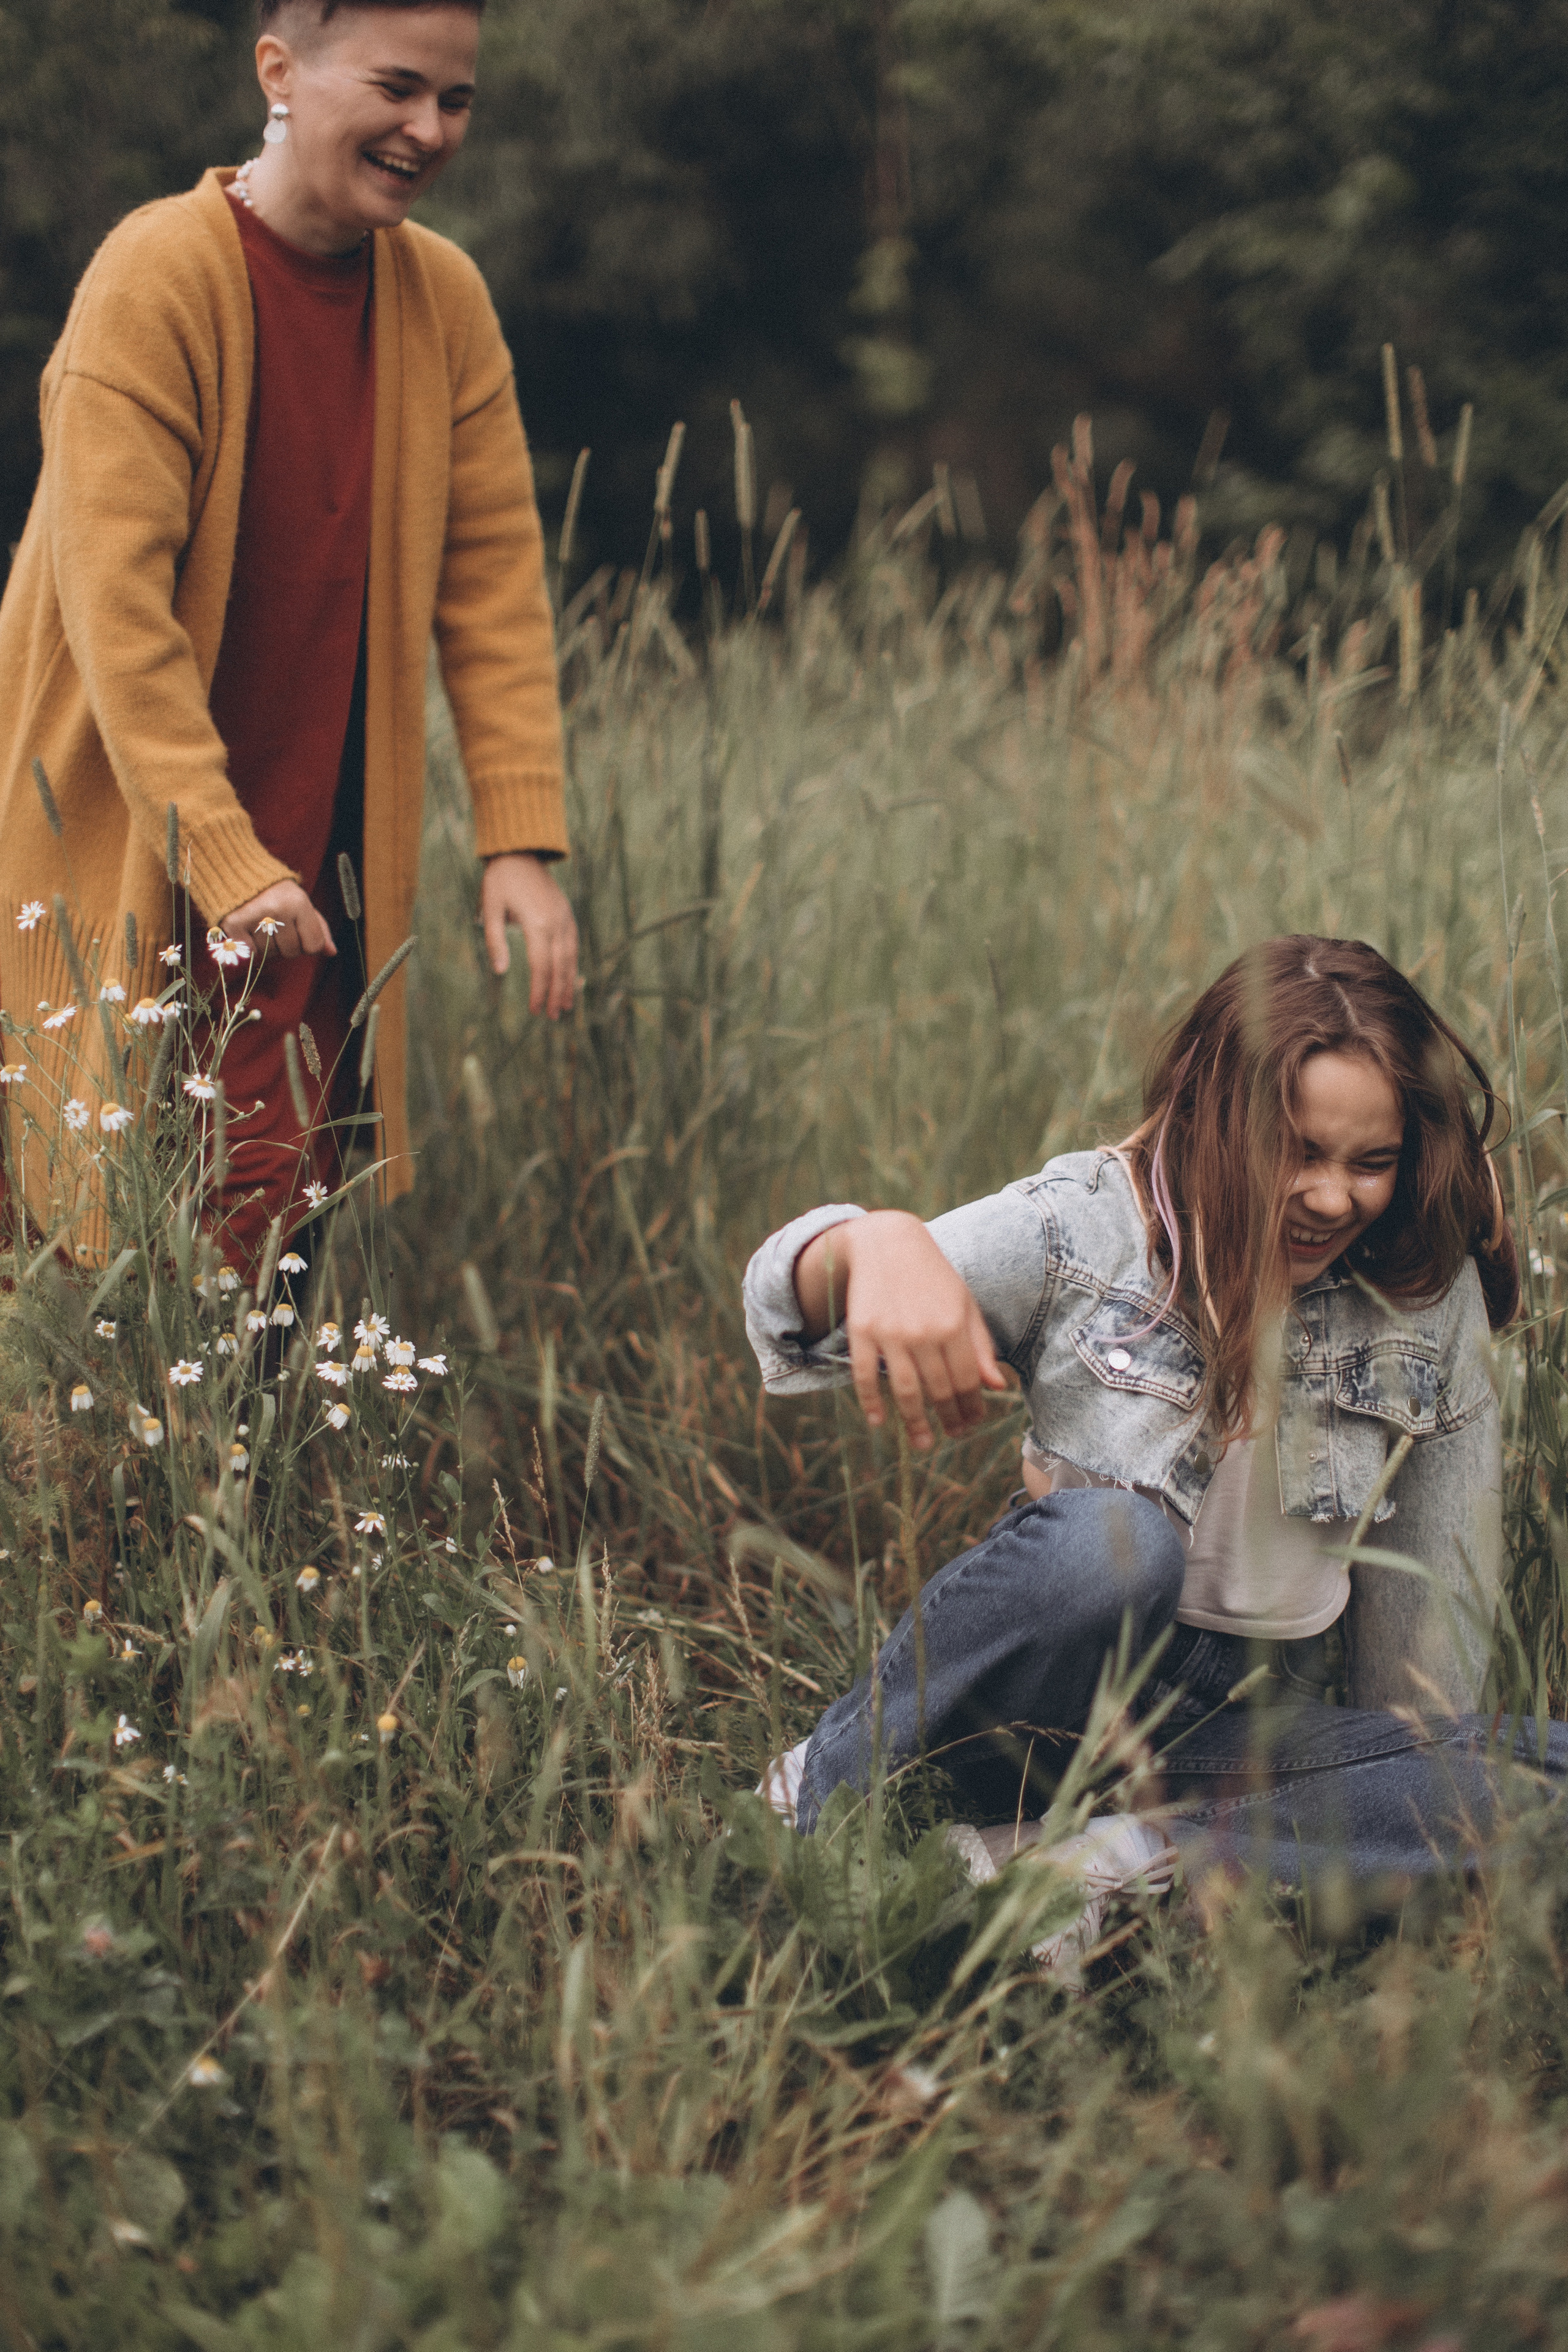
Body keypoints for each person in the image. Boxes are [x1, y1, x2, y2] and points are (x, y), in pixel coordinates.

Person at [744, 935, 1566, 1972]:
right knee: (1114, 1547)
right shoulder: (1091, 1228)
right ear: (1216, 1119)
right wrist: (875, 1243)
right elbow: (783, 1299)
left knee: (1534, 1776)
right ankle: (812, 1807)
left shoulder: (1422, 1295)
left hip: (1231, 1739)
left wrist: (1402, 1790)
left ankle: (1088, 1863)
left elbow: (1427, 1679)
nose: (1330, 1197)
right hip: (1043, 1707)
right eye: (1298, 1152)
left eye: (1372, 1162)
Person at [0, 0, 576, 1269]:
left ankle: (234, 1476)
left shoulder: (442, 299)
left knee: (262, 1266)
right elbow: (118, 609)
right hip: (119, 849)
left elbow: (490, 580)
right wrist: (217, 849)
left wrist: (518, 839)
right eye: (396, 88)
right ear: (278, 70)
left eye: (457, 100)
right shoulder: (159, 274)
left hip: (307, 884)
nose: (428, 129)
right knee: (79, 1231)